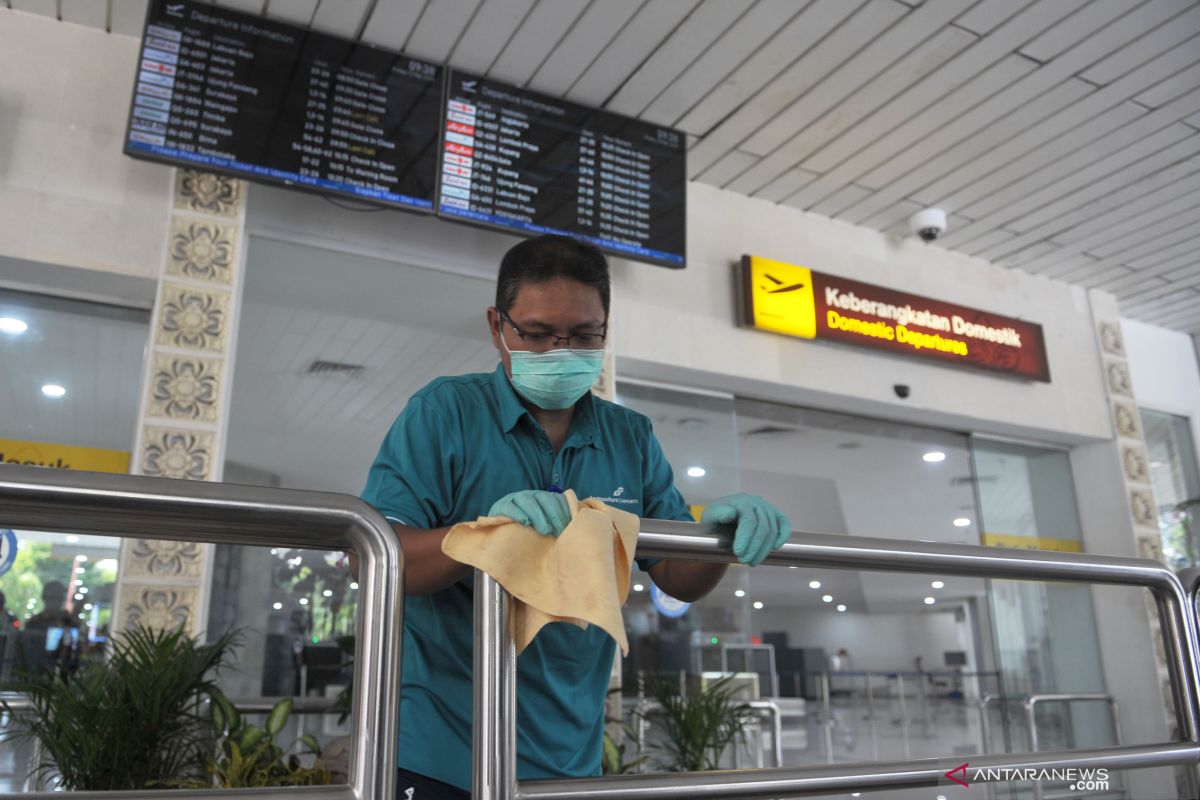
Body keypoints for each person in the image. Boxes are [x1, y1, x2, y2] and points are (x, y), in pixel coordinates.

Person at [362, 234, 791, 798]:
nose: (560, 352)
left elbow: (673, 576)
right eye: (537, 334)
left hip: (569, 755)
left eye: (585, 335)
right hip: (443, 748)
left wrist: (718, 538)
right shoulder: (445, 412)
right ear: (497, 326)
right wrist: (481, 537)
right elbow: (374, 556)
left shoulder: (629, 437)